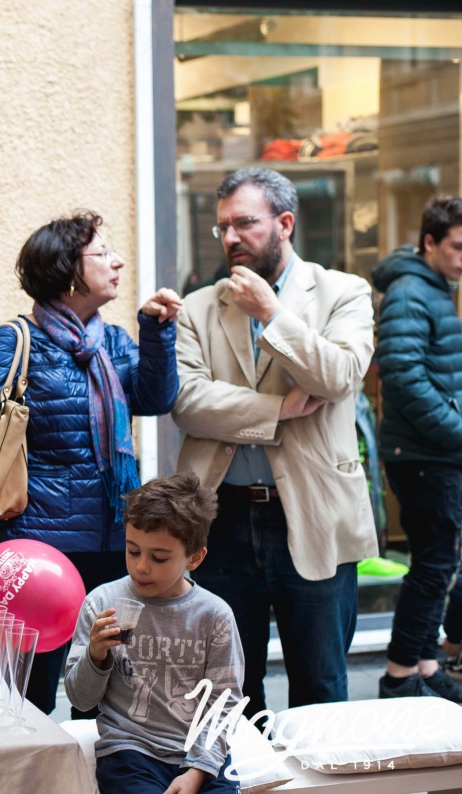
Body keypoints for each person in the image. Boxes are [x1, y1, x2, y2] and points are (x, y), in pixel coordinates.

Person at [0, 211, 182, 716]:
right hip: (38, 553)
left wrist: (157, 332)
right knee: (27, 698)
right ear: (68, 270)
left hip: (113, 544)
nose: (117, 262)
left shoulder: (112, 342)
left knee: (102, 693)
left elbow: (155, 398)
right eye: (102, 253)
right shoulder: (15, 341)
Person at [172, 167, 376, 716]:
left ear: (285, 223)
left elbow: (338, 377)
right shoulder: (198, 307)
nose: (230, 237)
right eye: (222, 227)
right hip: (222, 519)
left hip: (313, 512)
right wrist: (279, 410)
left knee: (321, 687)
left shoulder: (343, 292)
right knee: (226, 690)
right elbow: (188, 402)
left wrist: (272, 313)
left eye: (244, 223)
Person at [65, 473, 242, 794]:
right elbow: (81, 699)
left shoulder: (215, 616)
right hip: (129, 750)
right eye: (133, 551)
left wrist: (196, 772)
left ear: (195, 557)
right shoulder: (102, 603)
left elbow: (224, 704)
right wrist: (95, 655)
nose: (141, 567)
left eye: (159, 557)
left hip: (200, 756)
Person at [372, 196, 462, 700]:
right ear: (430, 242)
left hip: (434, 452)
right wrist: (458, 432)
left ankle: (426, 665)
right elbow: (404, 379)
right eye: (457, 246)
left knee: (437, 562)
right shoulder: (410, 291)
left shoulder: (433, 287)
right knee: (432, 565)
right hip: (424, 455)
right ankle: (400, 675)